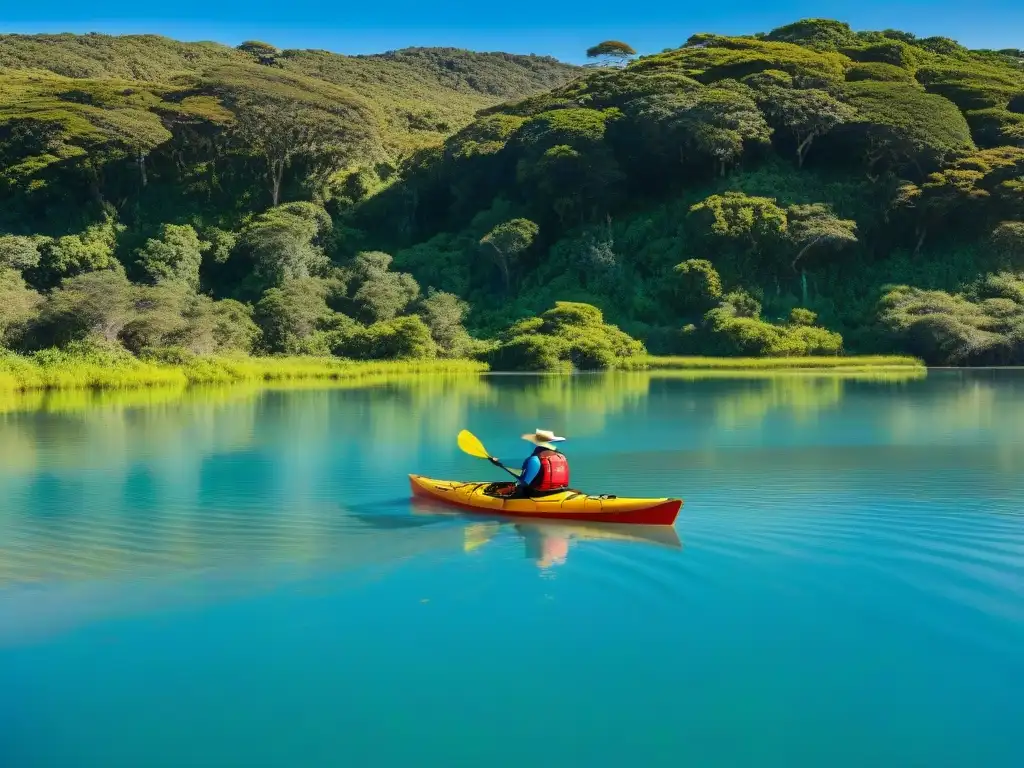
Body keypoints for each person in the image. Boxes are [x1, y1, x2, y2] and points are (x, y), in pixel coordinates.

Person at [512, 429, 570, 495]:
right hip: (559, 490)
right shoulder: (561, 456)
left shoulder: (534, 459)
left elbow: (525, 483)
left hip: (538, 494)